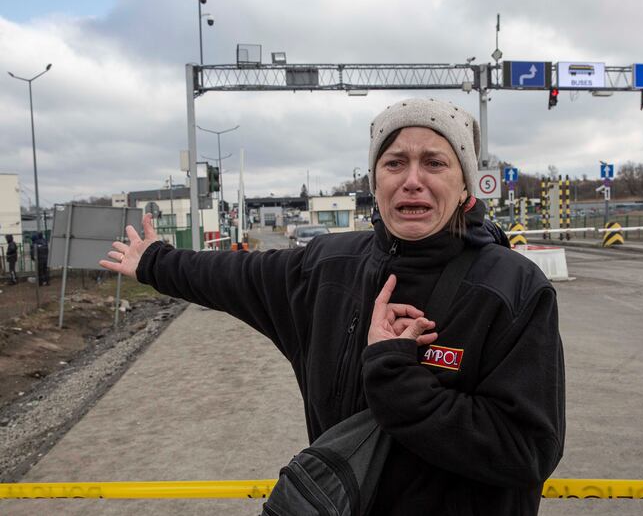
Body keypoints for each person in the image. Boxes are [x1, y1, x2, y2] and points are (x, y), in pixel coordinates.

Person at [101, 98, 565, 514]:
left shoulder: (513, 288)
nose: (412, 181)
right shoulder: (328, 268)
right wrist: (155, 263)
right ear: (375, 181)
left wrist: (395, 378)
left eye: (435, 163)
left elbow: (527, 452)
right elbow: (232, 275)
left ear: (466, 187)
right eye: (395, 163)